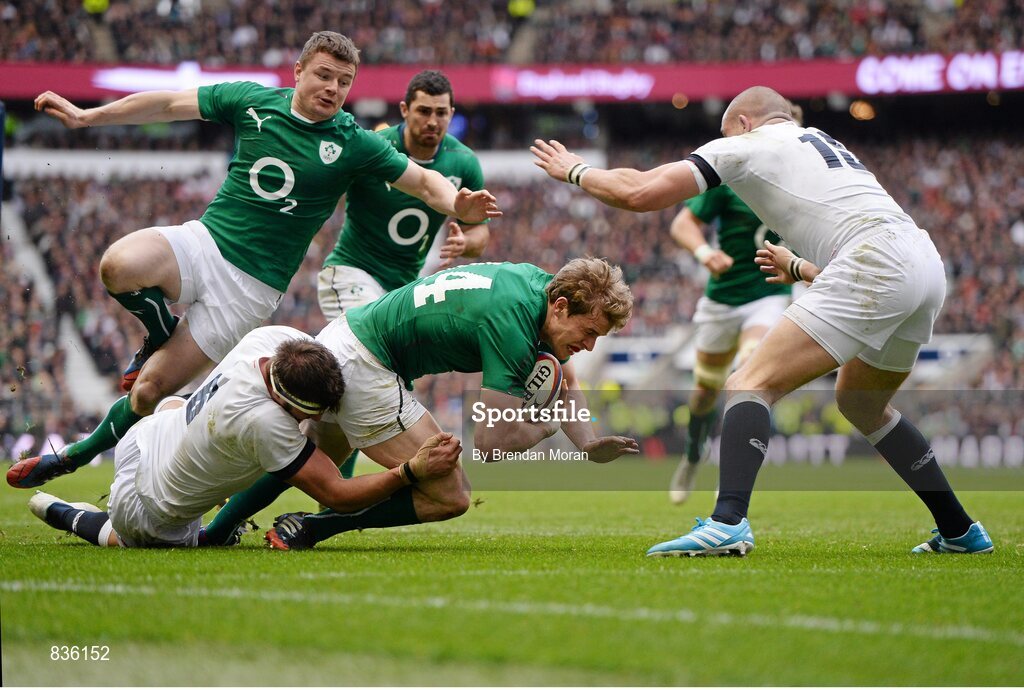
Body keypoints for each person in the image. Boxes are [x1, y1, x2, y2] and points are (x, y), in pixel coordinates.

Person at [8, 31, 499, 491]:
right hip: (205, 242)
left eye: (344, 82)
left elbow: (422, 181)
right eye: (324, 75)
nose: (333, 88)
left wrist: (457, 205)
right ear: (299, 69)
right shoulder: (253, 101)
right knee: (118, 264)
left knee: (147, 393)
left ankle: (70, 457)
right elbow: (170, 103)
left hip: (248, 291)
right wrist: (88, 117)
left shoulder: (353, 142)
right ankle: (159, 331)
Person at [531, 86, 993, 556]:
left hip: (875, 261)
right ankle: (960, 529)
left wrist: (575, 170)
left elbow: (640, 193)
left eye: (726, 132)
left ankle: (727, 520)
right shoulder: (825, 140)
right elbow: (863, 235)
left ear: (744, 124)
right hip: (923, 261)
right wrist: (797, 268)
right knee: (861, 403)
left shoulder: (746, 145)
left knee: (749, 381)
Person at [204, 258, 640, 550]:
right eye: (590, 332)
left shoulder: (537, 286)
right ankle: (315, 528)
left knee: (311, 462)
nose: (588, 345)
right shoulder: (512, 323)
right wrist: (546, 428)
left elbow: (564, 375)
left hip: (345, 339)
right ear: (562, 307)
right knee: (452, 495)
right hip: (367, 367)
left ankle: (215, 533)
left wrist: (587, 442)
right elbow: (489, 443)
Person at [26, 327, 463, 548]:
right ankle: (66, 514)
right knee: (135, 536)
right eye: (308, 415)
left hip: (145, 437)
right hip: (148, 509)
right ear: (285, 401)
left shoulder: (270, 341)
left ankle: (74, 458)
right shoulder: (264, 423)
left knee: (175, 406)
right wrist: (409, 471)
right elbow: (339, 494)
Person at [318, 69, 490, 481]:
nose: (433, 121)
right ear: (403, 110)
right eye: (424, 111)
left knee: (344, 405)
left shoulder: (463, 162)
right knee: (372, 373)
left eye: (442, 113)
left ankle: (316, 483)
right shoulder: (375, 147)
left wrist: (467, 244)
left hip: (402, 291)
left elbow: (481, 229)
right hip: (350, 274)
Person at [666, 179, 791, 505]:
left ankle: (732, 479)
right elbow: (682, 224)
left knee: (748, 370)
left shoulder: (801, 180)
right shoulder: (732, 180)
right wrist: (705, 252)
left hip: (769, 295)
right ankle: (694, 454)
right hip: (722, 300)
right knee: (705, 392)